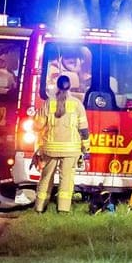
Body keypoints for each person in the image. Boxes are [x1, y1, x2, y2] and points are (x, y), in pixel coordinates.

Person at [34, 73, 89, 213]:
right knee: (66, 180)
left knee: (46, 178)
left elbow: (37, 126)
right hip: (71, 150)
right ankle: (63, 209)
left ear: (57, 86)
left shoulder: (48, 102)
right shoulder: (77, 104)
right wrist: (85, 147)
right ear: (70, 87)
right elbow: (84, 130)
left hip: (50, 149)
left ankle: (40, 208)